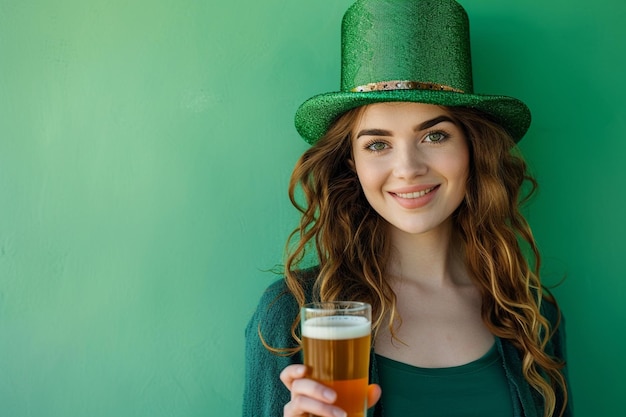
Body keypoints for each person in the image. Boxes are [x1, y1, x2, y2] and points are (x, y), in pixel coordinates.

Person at [243, 0, 572, 416]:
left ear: (473, 148)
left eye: (435, 137)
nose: (408, 169)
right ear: (352, 164)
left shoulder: (533, 314)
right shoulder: (291, 314)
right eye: (377, 144)